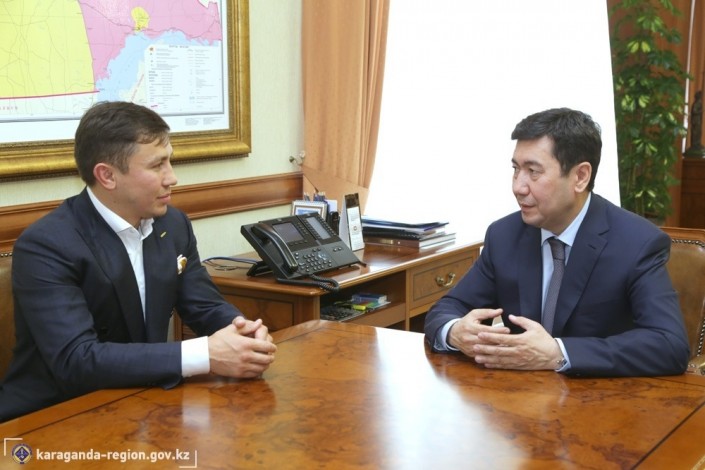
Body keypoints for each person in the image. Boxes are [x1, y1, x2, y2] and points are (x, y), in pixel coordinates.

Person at [0, 101, 277, 421]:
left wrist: (242, 333)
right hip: (54, 414)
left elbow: (204, 305)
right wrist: (205, 354)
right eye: (157, 165)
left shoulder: (173, 224)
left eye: (170, 161)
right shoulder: (47, 244)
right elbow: (77, 360)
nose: (172, 178)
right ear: (107, 175)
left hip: (143, 402)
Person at [424, 107, 689, 377]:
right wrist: (455, 331)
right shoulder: (504, 235)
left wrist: (558, 353)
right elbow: (445, 310)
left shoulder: (637, 243)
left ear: (580, 177)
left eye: (533, 171)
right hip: (518, 396)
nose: (518, 187)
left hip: (600, 396)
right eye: (516, 169)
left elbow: (669, 344)